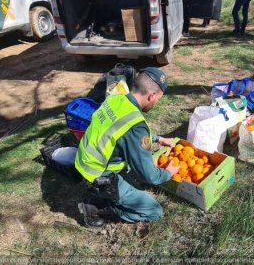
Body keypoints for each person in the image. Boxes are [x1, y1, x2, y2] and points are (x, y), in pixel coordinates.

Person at [76, 67, 180, 229]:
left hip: (84, 161)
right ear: (151, 95)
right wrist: (168, 173)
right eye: (157, 99)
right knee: (155, 211)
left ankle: (106, 193)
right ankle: (99, 208)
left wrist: (158, 138)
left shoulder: (116, 98)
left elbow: (122, 127)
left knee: (134, 166)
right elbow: (150, 176)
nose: (155, 103)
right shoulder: (137, 128)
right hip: (99, 176)